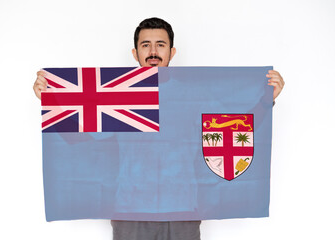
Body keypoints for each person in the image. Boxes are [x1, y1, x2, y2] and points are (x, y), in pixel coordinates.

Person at [33, 17, 284, 240]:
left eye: (160, 44)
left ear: (172, 51)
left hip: (183, 211)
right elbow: (79, 138)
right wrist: (51, 103)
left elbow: (239, 129)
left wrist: (265, 100)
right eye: (146, 45)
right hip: (129, 213)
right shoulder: (120, 96)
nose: (153, 51)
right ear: (135, 53)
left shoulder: (194, 95)